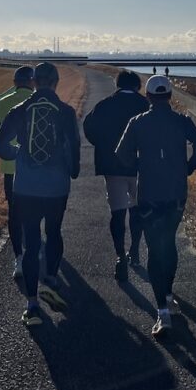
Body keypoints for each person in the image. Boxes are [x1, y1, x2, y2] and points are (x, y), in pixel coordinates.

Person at [116, 75, 196, 338]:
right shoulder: (182, 121)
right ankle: (168, 295)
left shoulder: (138, 122)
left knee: (155, 249)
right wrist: (188, 167)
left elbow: (121, 155)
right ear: (169, 96)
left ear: (148, 96)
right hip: (177, 194)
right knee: (169, 243)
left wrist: (140, 167)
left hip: (150, 195)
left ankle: (163, 312)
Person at [0, 62, 81, 327]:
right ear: (55, 82)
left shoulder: (20, 110)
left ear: (34, 82)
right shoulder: (66, 112)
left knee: (31, 242)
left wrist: (17, 154)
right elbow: (73, 146)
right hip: (56, 186)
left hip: (26, 187)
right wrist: (72, 171)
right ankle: (51, 280)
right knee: (53, 232)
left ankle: (32, 305)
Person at [82, 70, 150, 281]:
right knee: (138, 210)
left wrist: (102, 146)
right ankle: (135, 251)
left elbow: (88, 127)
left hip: (112, 166)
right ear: (138, 85)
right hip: (140, 167)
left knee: (117, 213)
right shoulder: (145, 105)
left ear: (117, 84)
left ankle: (120, 255)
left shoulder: (104, 105)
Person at [0, 66, 35, 279]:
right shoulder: (39, 102)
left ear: (15, 82)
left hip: (10, 169)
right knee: (35, 212)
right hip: (36, 168)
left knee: (14, 213)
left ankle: (18, 259)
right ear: (32, 82)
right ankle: (36, 251)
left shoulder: (3, 103)